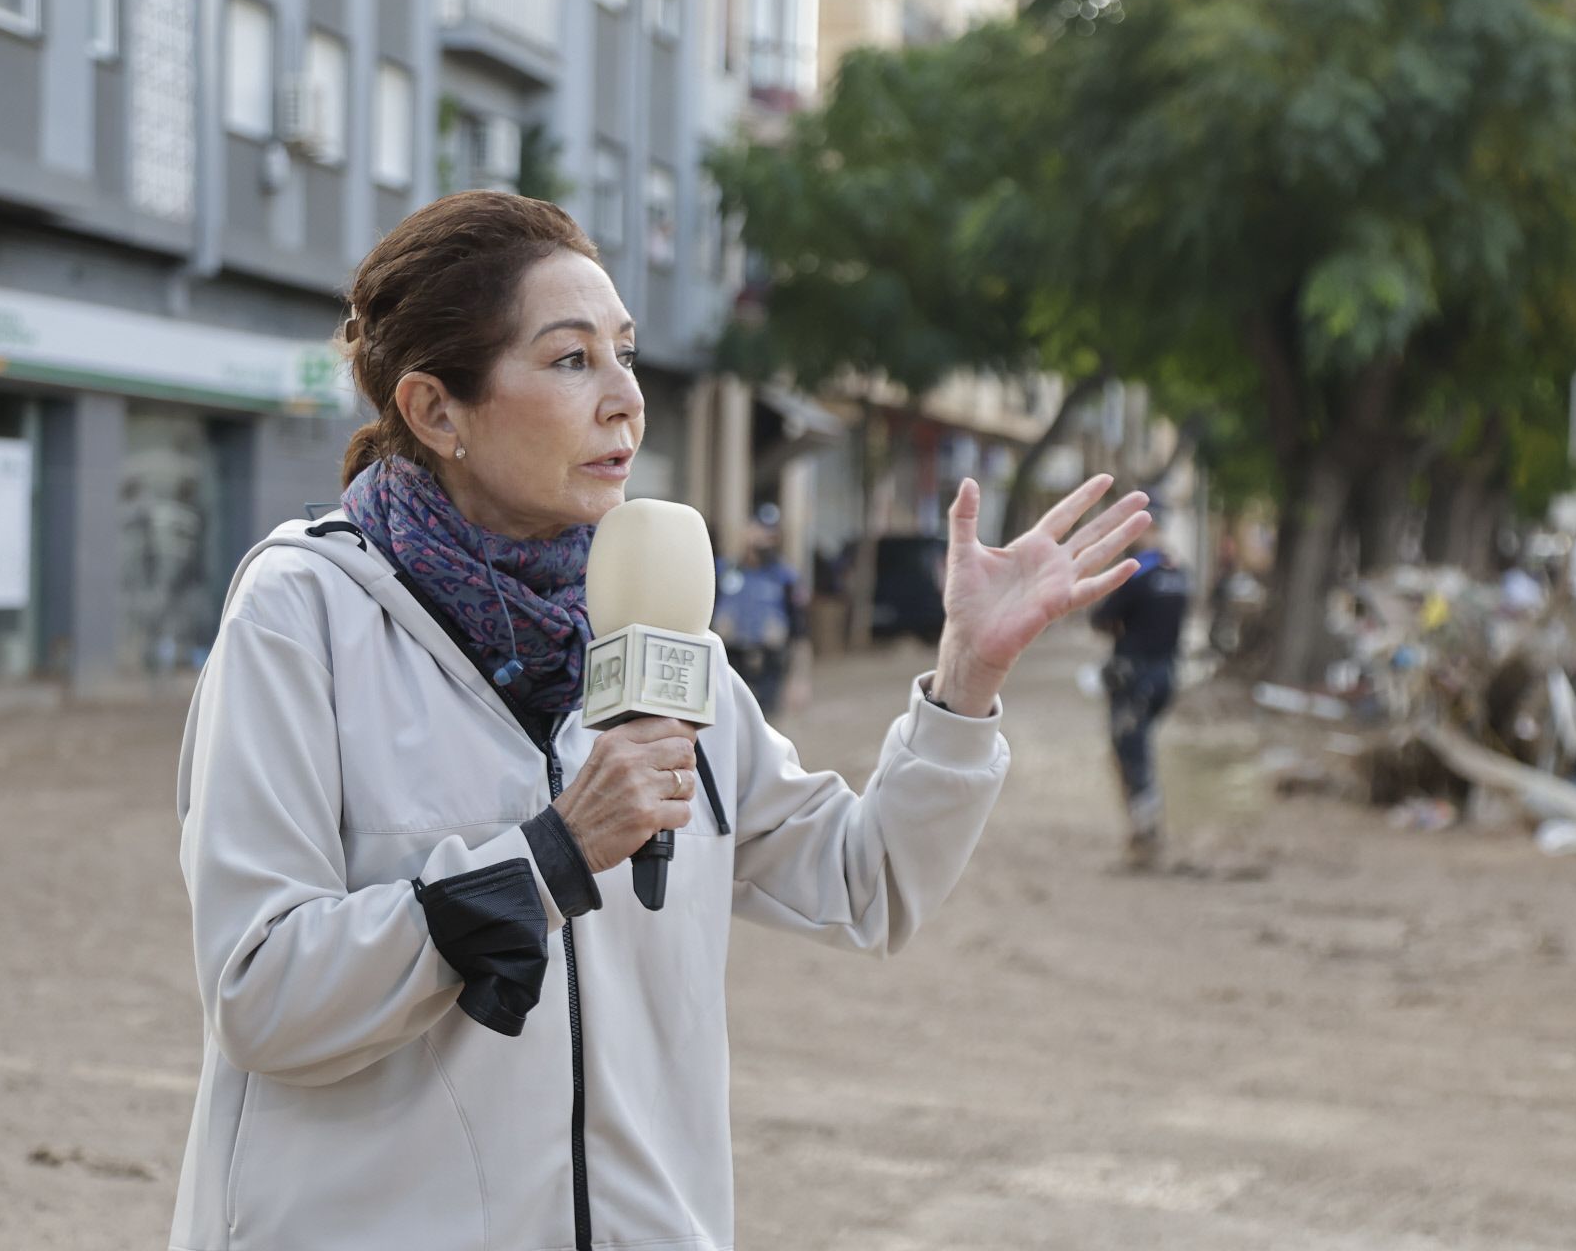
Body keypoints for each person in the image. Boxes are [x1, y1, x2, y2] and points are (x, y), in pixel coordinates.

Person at [167, 191, 1150, 1251]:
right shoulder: (301, 613)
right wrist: (547, 856)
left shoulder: (661, 630)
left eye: (625, 353)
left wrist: (964, 680)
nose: (626, 398)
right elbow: (262, 992)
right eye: (571, 359)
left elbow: (866, 885)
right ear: (436, 409)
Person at [1089, 501, 1191, 870]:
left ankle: (1146, 839)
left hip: (1134, 677)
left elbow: (1100, 617)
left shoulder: (1138, 573)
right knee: (1140, 750)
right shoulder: (1180, 573)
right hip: (1165, 676)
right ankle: (1144, 833)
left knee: (1131, 754)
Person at [711, 504, 807, 719]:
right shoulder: (725, 571)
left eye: (771, 533)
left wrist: (799, 680)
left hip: (769, 663)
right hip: (730, 660)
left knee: (765, 725)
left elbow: (800, 631)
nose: (764, 538)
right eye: (759, 529)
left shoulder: (785, 577)